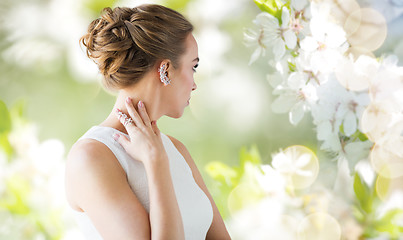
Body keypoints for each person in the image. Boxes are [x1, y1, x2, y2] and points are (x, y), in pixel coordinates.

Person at [64, 4, 231, 240]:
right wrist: (156, 163)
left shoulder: (176, 149)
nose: (194, 84)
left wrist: (159, 156)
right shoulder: (92, 156)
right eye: (193, 67)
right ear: (165, 70)